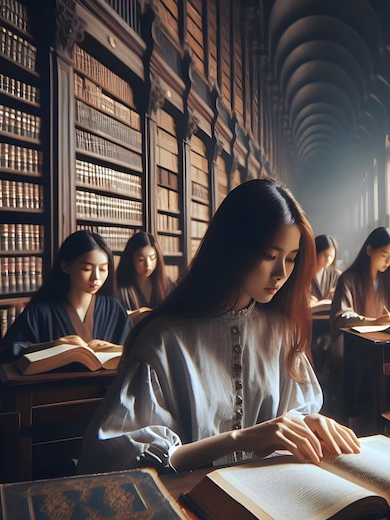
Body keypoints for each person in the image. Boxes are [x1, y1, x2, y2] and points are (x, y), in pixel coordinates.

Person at [78, 179, 360, 475]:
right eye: (269, 256)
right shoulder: (164, 338)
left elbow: (297, 420)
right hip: (189, 503)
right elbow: (115, 456)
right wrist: (240, 438)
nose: (281, 273)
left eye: (291, 259)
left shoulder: (281, 332)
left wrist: (309, 426)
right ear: (233, 247)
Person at [0, 230, 132, 364]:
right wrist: (54, 346)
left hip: (108, 384)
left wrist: (114, 349)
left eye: (103, 269)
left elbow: (135, 350)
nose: (96, 277)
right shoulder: (41, 311)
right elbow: (6, 351)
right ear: (66, 266)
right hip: (54, 384)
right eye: (86, 268)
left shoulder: (114, 308)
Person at [326, 227, 390, 422]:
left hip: (386, 342)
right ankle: (365, 414)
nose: (388, 261)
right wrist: (373, 321)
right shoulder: (348, 279)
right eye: (384, 255)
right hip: (356, 346)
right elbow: (342, 316)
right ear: (369, 250)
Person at [116, 231, 174, 324]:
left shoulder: (166, 284)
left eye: (152, 258)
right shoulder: (120, 287)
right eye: (141, 260)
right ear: (131, 259)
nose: (148, 265)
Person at [310, 234, 341, 303]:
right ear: (316, 252)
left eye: (331, 256)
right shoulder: (304, 273)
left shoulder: (336, 274)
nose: (328, 259)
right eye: (324, 255)